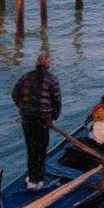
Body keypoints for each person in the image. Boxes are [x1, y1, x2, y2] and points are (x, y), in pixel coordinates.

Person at [10, 47, 62, 190]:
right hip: (42, 120)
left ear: (36, 62)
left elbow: (15, 94)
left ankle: (32, 176)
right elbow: (57, 101)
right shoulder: (52, 79)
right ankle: (37, 179)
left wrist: (23, 107)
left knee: (31, 147)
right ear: (48, 63)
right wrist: (53, 117)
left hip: (27, 118)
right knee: (41, 148)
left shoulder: (25, 76)